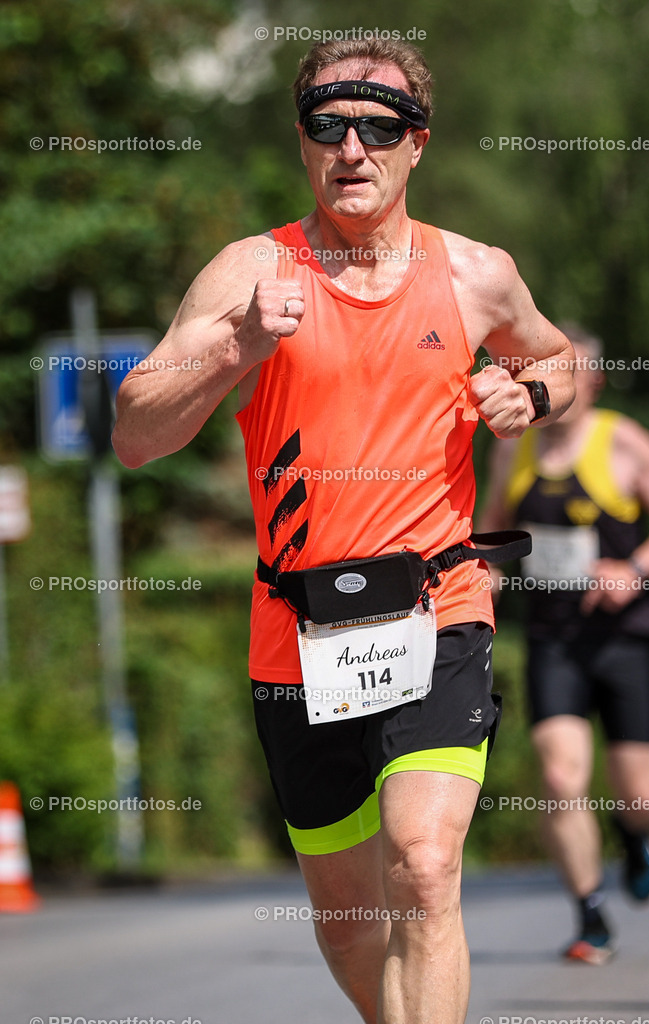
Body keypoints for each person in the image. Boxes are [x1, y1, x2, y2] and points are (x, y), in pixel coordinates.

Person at [112, 37, 574, 1024]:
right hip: (297, 632)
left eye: (378, 126)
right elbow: (135, 434)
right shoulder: (250, 271)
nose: (352, 147)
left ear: (416, 145)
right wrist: (238, 341)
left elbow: (569, 361)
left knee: (422, 863)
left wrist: (528, 393)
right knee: (350, 917)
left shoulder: (474, 274)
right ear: (303, 140)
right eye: (330, 125)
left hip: (437, 604)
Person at [479, 323, 649, 966]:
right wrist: (482, 580)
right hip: (554, 638)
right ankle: (591, 914)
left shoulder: (623, 441)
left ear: (589, 381)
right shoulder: (515, 448)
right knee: (561, 776)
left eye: (564, 372)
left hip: (627, 638)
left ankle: (635, 833)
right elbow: (492, 531)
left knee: (642, 794)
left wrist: (637, 570)